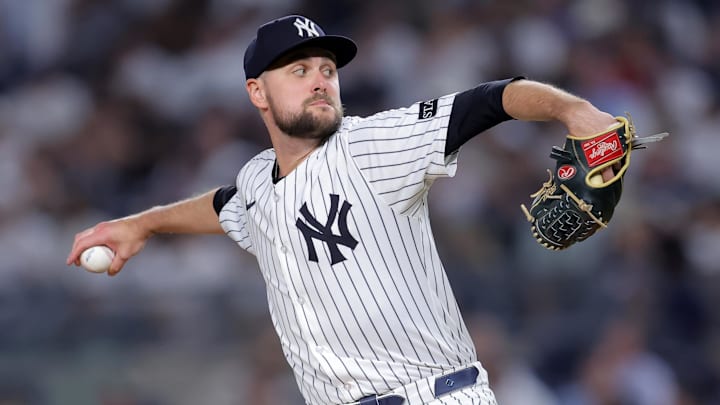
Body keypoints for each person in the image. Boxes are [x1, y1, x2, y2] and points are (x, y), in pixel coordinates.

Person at [67, 14, 618, 405]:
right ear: (258, 93)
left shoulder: (372, 145)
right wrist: (141, 225)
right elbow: (226, 206)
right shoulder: (258, 179)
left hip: (434, 396)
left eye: (326, 69)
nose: (320, 81)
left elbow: (488, 101)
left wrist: (573, 109)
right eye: (299, 71)